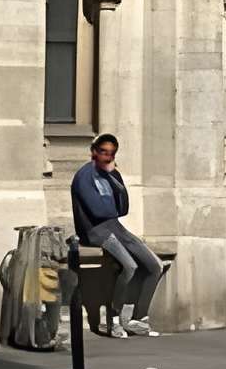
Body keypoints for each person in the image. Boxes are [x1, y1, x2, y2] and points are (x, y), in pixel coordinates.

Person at [69, 133, 161, 338]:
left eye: (111, 153)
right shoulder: (84, 176)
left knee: (155, 266)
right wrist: (111, 207)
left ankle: (139, 319)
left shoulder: (111, 175)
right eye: (103, 152)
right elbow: (97, 211)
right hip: (95, 231)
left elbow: (123, 209)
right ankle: (115, 320)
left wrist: (117, 182)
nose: (107, 157)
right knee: (130, 266)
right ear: (94, 152)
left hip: (115, 227)